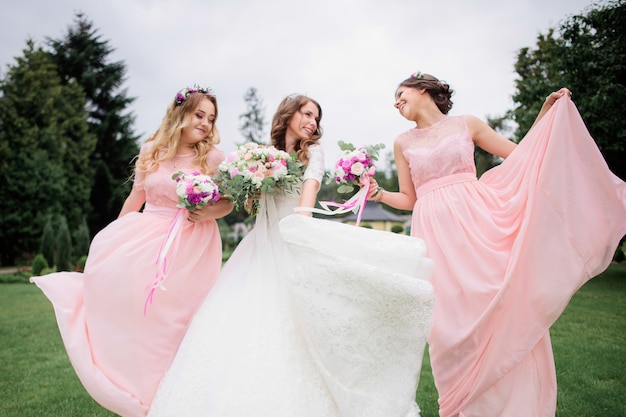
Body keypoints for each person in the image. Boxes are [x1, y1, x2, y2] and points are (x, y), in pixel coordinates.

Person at [148, 95, 436, 417]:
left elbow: (310, 189)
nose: (313, 123)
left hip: (291, 237)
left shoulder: (312, 152)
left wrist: (302, 229)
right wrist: (252, 187)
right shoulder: (265, 156)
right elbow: (249, 207)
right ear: (289, 114)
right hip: (259, 246)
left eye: (316, 118)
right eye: (307, 114)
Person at [367, 72, 626, 417]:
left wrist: (544, 115)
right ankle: (464, 404)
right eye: (394, 100)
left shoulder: (466, 124)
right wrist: (379, 193)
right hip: (432, 231)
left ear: (423, 89)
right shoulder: (402, 142)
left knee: (494, 300)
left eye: (401, 94)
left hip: (475, 222)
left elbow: (520, 156)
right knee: (447, 322)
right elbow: (410, 197)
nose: (397, 103)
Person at [30, 85, 234, 417]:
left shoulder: (213, 158)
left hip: (192, 245)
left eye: (211, 118)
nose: (206, 124)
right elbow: (135, 199)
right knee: (140, 318)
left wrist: (211, 212)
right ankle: (141, 390)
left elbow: (228, 202)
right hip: (145, 240)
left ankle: (182, 395)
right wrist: (112, 240)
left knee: (178, 322)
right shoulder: (151, 150)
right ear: (180, 113)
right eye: (200, 115)